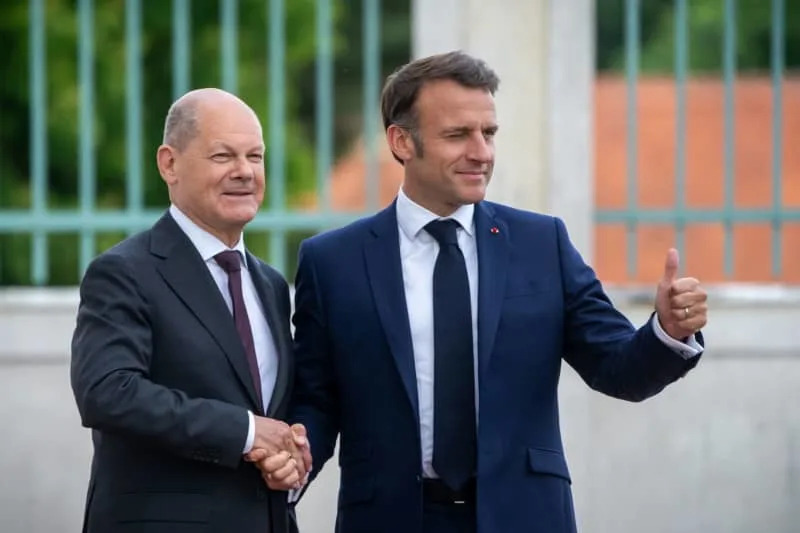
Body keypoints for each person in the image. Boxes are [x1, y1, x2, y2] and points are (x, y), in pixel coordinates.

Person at [289, 51, 708, 533]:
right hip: (388, 518)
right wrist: (292, 460)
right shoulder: (332, 262)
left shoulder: (541, 244)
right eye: (457, 135)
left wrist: (667, 332)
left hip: (526, 515)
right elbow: (317, 403)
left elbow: (618, 368)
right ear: (401, 141)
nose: (481, 152)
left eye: (488, 133)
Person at [71, 88, 310, 533]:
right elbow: (107, 392)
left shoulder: (271, 284)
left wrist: (288, 459)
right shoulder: (124, 272)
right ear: (169, 164)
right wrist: (245, 431)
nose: (244, 172)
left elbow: (271, 415)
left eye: (255, 157)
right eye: (223, 156)